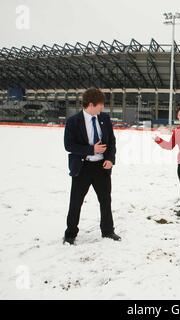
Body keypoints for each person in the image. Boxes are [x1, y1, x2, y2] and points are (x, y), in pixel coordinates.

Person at [63, 88, 121, 245]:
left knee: (105, 200)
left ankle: (108, 231)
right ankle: (70, 234)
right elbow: (69, 145)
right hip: (82, 168)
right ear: (90, 105)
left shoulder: (104, 119)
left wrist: (110, 159)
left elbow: (112, 142)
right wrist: (91, 149)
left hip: (102, 167)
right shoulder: (73, 121)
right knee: (76, 201)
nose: (103, 108)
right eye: (101, 105)